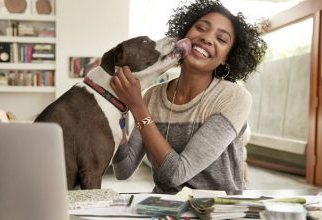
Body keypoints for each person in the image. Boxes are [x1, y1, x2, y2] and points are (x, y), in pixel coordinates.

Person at [109, 0, 267, 193]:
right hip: (164, 208)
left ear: (226, 57)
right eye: (201, 28)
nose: (208, 38)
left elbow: (177, 174)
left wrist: (137, 105)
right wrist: (117, 114)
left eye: (222, 39)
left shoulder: (234, 97)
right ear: (185, 36)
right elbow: (124, 170)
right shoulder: (153, 96)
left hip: (216, 210)